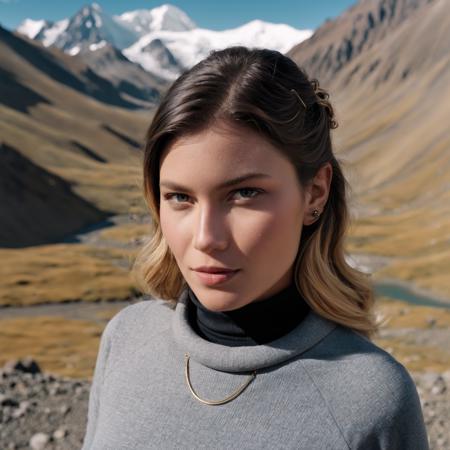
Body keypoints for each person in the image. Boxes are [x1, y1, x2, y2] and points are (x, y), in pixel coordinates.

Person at [81, 46, 429, 449]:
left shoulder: (371, 399)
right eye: (180, 197)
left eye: (244, 193)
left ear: (315, 192)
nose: (206, 237)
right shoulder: (126, 337)